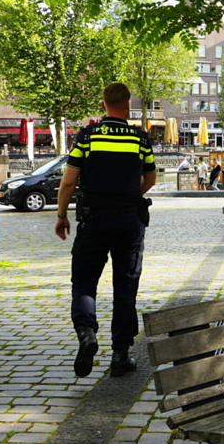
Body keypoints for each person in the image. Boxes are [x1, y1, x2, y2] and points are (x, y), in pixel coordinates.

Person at [55, 82, 158, 378]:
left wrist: (62, 215)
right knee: (125, 288)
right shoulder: (139, 138)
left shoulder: (87, 136)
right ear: (128, 106)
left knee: (85, 282)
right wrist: (130, 196)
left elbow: (68, 182)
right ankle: (120, 356)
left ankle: (87, 333)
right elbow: (150, 178)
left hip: (93, 220)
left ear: (103, 106)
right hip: (129, 220)